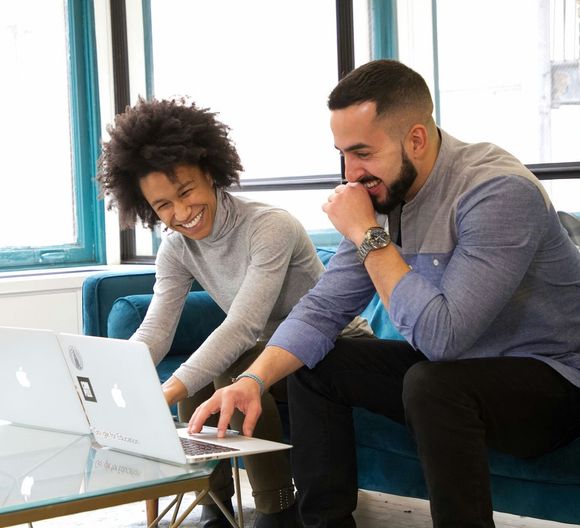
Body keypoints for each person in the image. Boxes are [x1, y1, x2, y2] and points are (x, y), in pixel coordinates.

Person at [189, 59, 580, 528]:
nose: (351, 173)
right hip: (454, 375)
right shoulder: (385, 194)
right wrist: (253, 382)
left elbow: (442, 340)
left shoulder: (497, 191)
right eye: (343, 155)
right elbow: (321, 309)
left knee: (432, 383)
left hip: (552, 385)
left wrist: (368, 235)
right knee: (319, 364)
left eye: (363, 153)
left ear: (416, 138)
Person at [96, 96, 372, 528]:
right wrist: (113, 377)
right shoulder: (176, 248)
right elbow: (156, 329)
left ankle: (276, 509)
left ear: (211, 173)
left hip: (335, 350)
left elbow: (244, 325)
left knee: (225, 369)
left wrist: (164, 392)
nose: (181, 213)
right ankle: (213, 502)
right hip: (272, 358)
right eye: (163, 206)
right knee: (202, 373)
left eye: (186, 191)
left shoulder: (270, 226)